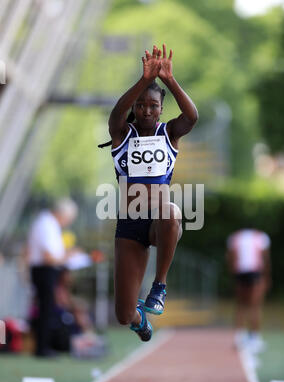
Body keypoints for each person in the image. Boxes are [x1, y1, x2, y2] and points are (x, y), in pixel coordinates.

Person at [101, 44, 198, 341]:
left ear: (161, 109)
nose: (146, 110)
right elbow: (118, 113)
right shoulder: (122, 134)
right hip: (130, 223)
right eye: (141, 104)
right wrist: (144, 80)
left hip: (159, 221)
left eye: (153, 106)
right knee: (122, 315)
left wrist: (168, 79)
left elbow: (191, 116)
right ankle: (140, 318)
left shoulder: (168, 133)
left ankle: (159, 286)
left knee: (170, 210)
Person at [27, 197, 78, 357]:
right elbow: (48, 257)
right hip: (44, 270)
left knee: (47, 308)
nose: (67, 222)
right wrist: (68, 257)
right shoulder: (46, 224)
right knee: (45, 308)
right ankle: (42, 347)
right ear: (62, 214)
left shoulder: (49, 224)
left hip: (46, 270)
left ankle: (44, 346)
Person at [226, 228, 272, 353]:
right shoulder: (261, 236)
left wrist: (233, 272)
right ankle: (255, 339)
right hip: (254, 272)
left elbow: (230, 256)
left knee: (240, 305)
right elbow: (265, 258)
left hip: (240, 272)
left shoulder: (235, 237)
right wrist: (267, 276)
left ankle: (239, 337)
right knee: (255, 306)